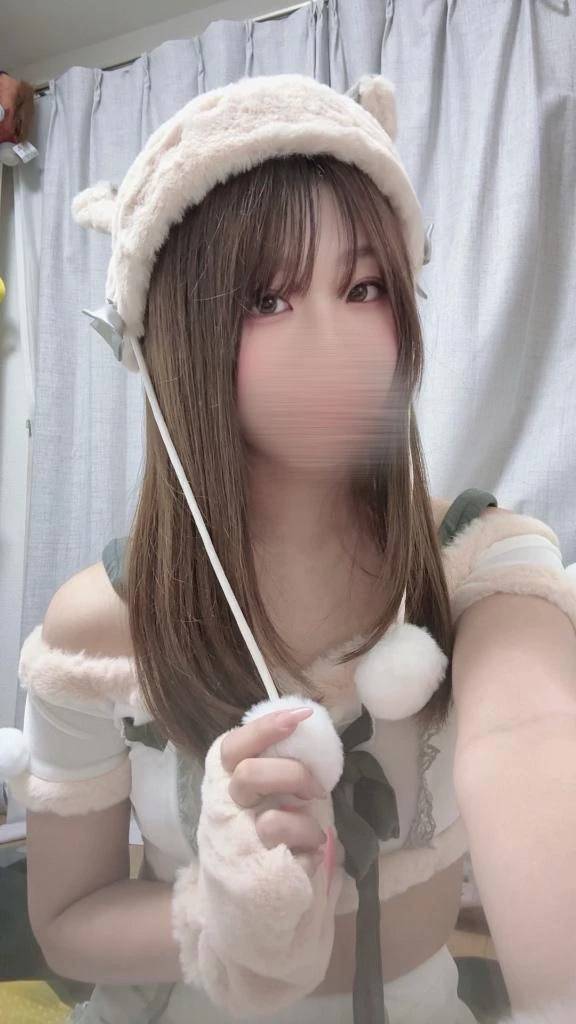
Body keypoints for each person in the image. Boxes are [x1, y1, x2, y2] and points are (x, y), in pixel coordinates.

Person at [1, 73, 576, 1024]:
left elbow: (531, 735)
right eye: (267, 299)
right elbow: (64, 922)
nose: (332, 341)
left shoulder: (477, 563)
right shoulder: (99, 626)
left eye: (364, 287)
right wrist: (218, 915)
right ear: (172, 340)